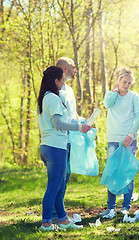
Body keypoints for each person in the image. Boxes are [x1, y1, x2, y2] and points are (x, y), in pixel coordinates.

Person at [37, 66, 91, 231]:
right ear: (56, 81)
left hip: (48, 146)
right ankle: (46, 223)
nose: (63, 83)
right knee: (54, 188)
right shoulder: (52, 98)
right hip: (55, 148)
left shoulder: (45, 97)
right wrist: (79, 127)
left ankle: (63, 221)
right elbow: (58, 124)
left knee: (58, 187)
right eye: (62, 79)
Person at [99, 67, 139, 218]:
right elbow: (107, 104)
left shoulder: (134, 97)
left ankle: (125, 206)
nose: (126, 85)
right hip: (113, 140)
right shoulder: (111, 96)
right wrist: (114, 92)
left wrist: (130, 135)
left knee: (127, 173)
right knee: (111, 172)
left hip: (129, 140)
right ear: (118, 80)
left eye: (129, 83)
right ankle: (110, 206)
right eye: (124, 82)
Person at [48, 57, 78, 224]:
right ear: (65, 69)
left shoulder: (70, 91)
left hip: (70, 139)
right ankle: (52, 215)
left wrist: (82, 123)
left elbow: (72, 114)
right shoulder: (54, 91)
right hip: (57, 141)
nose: (76, 71)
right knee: (57, 179)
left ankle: (59, 214)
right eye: (74, 67)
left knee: (65, 177)